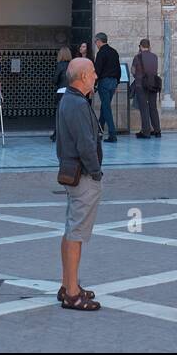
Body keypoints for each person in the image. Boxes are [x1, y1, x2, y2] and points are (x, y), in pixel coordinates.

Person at [55, 57, 103, 310]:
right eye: (93, 72)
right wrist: (96, 171)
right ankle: (72, 294)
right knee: (76, 234)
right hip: (83, 175)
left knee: (71, 230)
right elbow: (86, 143)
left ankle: (68, 284)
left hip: (71, 172)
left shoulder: (69, 99)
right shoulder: (78, 104)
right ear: (83, 76)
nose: (96, 76)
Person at [93, 32, 121, 143]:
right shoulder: (114, 52)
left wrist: (94, 84)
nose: (96, 44)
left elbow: (97, 70)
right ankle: (99, 132)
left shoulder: (101, 53)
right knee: (104, 107)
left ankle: (112, 134)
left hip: (104, 82)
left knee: (106, 108)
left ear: (99, 41)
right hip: (113, 82)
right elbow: (118, 69)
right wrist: (117, 83)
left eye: (96, 42)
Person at [131, 38, 161, 138]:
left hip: (141, 85)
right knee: (153, 108)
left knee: (144, 108)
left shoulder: (137, 57)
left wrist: (138, 77)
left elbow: (133, 70)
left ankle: (146, 131)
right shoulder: (155, 57)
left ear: (140, 46)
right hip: (153, 84)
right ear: (149, 46)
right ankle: (157, 130)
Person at [50, 44, 72, 142]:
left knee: (60, 114)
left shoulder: (60, 65)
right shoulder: (73, 64)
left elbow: (55, 79)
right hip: (72, 91)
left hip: (62, 91)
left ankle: (56, 135)